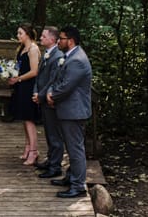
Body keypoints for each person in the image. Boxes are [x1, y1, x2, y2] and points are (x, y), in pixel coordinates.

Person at [46, 26, 92, 199]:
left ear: (70, 41)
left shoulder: (77, 60)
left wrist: (52, 96)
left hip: (74, 112)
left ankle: (78, 186)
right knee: (71, 147)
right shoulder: (69, 56)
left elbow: (67, 86)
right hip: (68, 109)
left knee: (75, 149)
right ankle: (71, 177)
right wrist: (51, 91)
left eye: (62, 38)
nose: (59, 41)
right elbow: (58, 79)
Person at [32, 25, 65, 179]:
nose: (40, 38)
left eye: (43, 36)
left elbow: (53, 80)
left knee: (54, 134)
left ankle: (55, 166)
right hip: (42, 97)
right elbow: (39, 76)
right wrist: (36, 91)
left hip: (51, 101)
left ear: (52, 39)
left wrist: (41, 95)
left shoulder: (58, 56)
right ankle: (50, 160)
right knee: (48, 132)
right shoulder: (46, 53)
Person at [7, 23, 42, 165]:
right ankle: (27, 147)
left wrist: (19, 79)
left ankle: (34, 151)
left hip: (29, 87)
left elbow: (34, 71)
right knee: (24, 119)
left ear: (27, 34)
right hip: (21, 87)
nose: (18, 36)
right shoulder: (22, 48)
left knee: (29, 119)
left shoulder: (33, 49)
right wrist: (10, 74)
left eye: (20, 33)